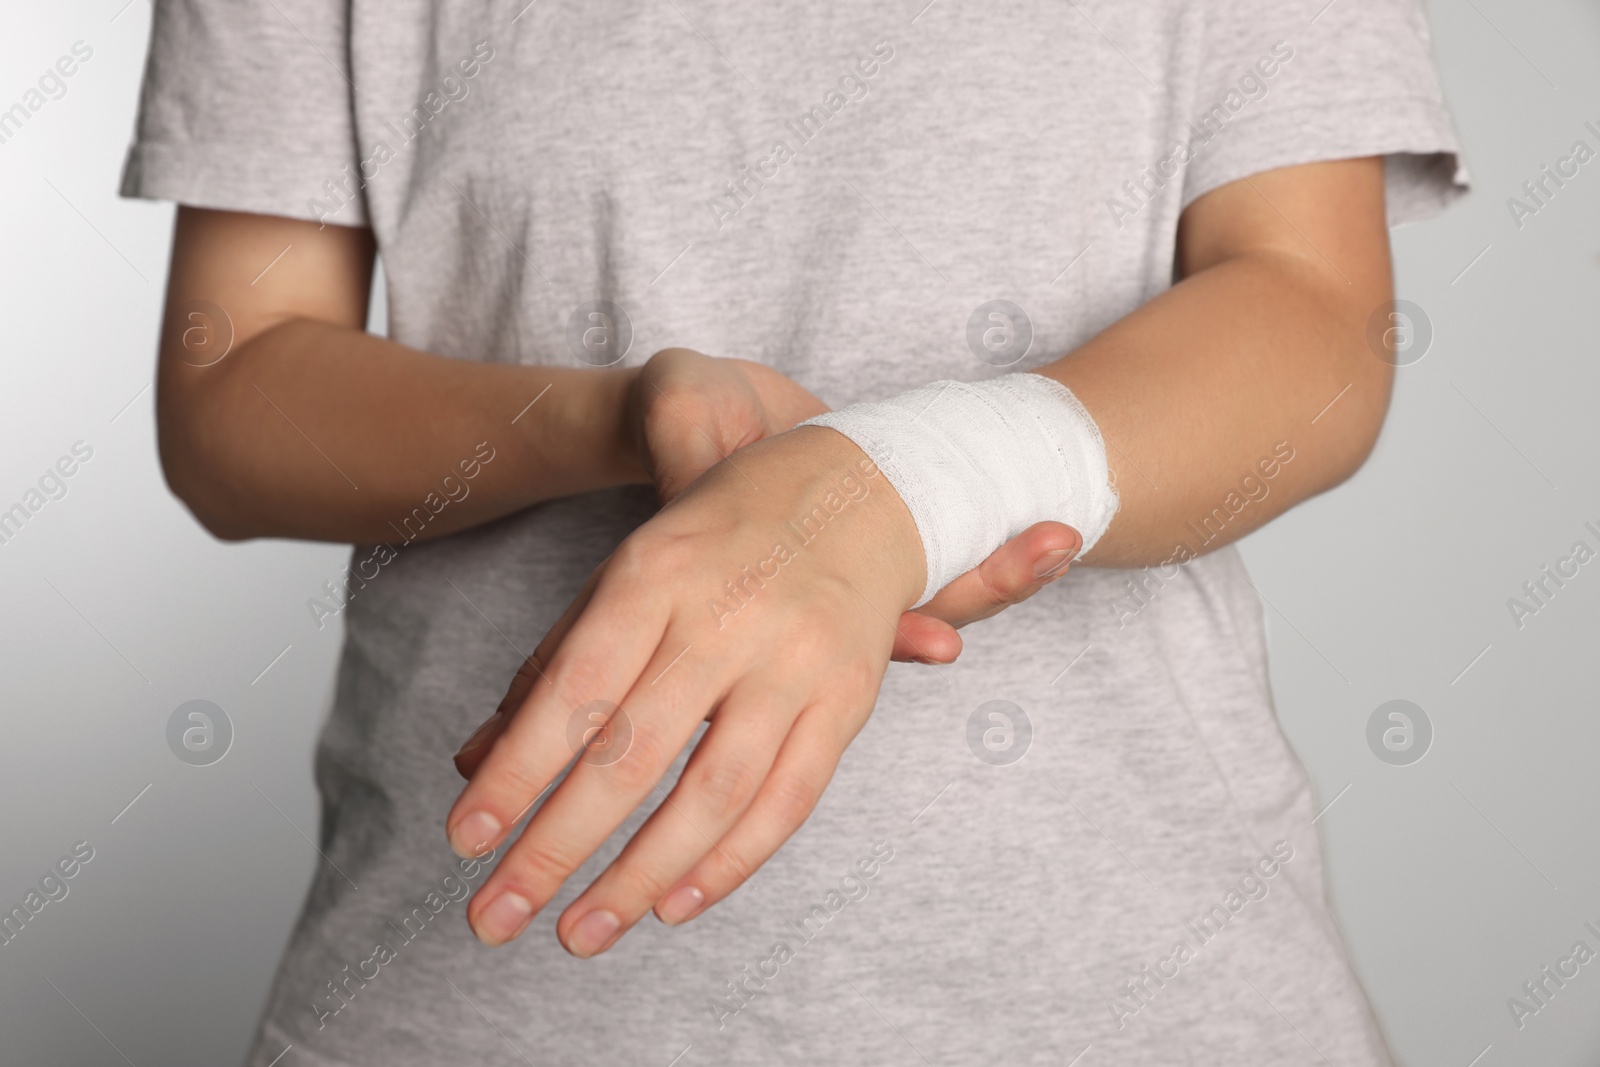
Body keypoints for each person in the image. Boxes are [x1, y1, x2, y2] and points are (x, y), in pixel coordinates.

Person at [124, 0, 1465, 1063]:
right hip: (479, 997)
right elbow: (234, 389)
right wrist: (609, 419)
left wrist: (891, 490)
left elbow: (1313, 316)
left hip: (1130, 1002)